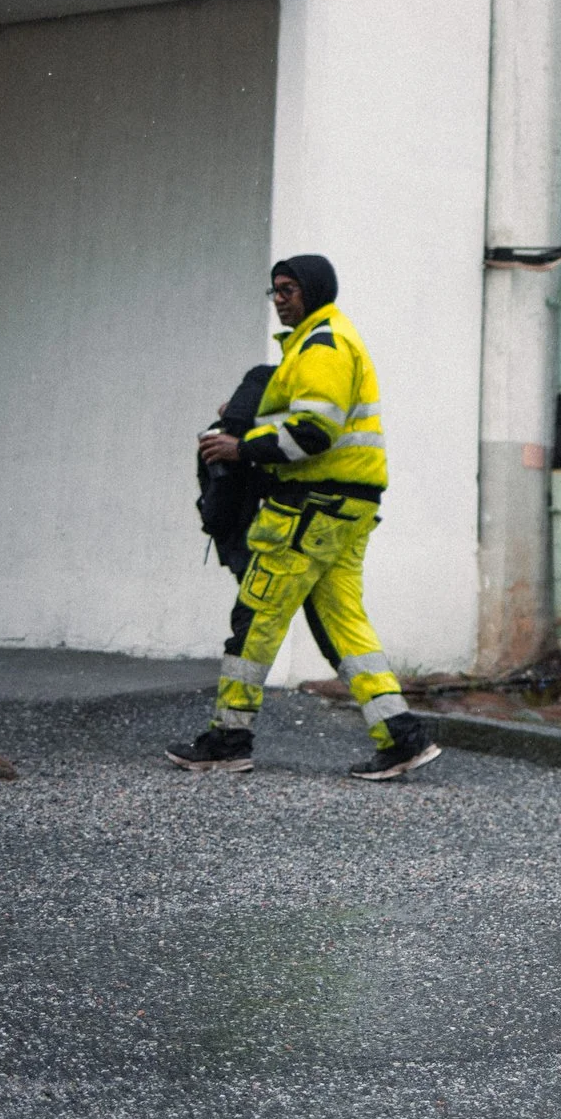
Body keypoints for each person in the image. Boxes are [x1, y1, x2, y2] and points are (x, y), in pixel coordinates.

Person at [170, 255, 440, 782]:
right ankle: (402, 737)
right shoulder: (320, 344)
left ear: (314, 290)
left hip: (310, 507)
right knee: (343, 623)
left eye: (288, 289)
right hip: (345, 507)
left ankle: (228, 740)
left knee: (256, 618)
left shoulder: (322, 346)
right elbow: (298, 418)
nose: (279, 300)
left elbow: (314, 432)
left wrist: (240, 446)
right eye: (274, 290)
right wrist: (246, 416)